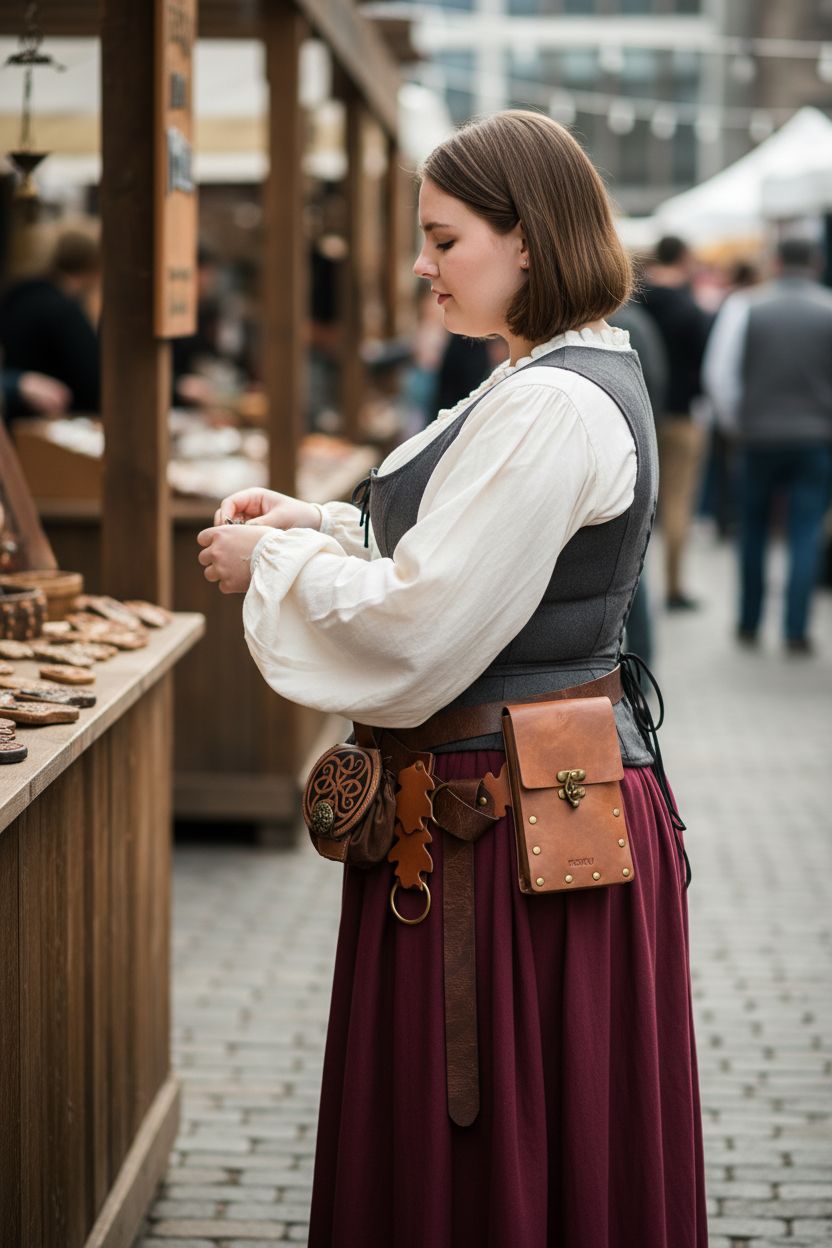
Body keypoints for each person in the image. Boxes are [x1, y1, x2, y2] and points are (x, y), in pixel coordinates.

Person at [196, 111, 706, 1248]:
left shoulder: (553, 401)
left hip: (508, 814)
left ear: (526, 239)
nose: (423, 267)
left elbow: (423, 623)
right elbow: (466, 554)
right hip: (509, 798)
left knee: (492, 1142)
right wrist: (316, 522)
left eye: (443, 239)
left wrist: (272, 564)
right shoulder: (547, 376)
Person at [703, 237, 832, 654]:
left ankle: (749, 620)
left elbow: (720, 375)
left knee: (753, 529)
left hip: (757, 436)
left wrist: (736, 424)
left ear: (775, 263)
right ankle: (796, 629)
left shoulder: (745, 307)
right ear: (816, 264)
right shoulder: (828, 309)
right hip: (815, 438)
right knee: (805, 531)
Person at [639, 235, 712, 610]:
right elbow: (707, 365)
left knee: (634, 507)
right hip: (681, 414)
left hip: (639, 414)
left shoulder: (636, 301)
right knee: (678, 502)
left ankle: (634, 590)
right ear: (682, 258)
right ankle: (673, 586)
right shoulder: (689, 308)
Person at [0, 230, 100, 415]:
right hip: (51, 415)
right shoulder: (63, 311)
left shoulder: (19, 296)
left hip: (16, 414)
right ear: (93, 269)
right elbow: (93, 381)